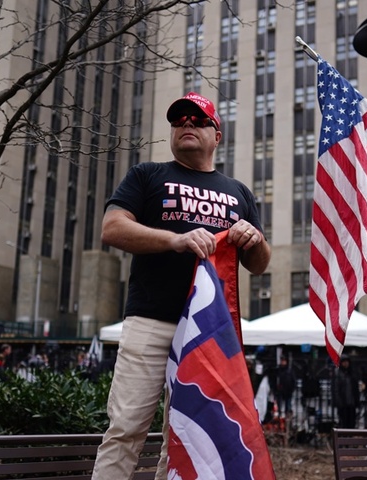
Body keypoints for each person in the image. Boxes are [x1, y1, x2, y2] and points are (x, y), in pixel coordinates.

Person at [91, 92, 271, 480]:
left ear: (216, 135)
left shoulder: (238, 192)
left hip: (208, 333)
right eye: (179, 120)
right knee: (125, 429)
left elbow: (259, 265)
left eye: (197, 119)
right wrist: (175, 239)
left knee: (188, 437)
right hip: (150, 322)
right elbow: (112, 228)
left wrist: (253, 237)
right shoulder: (147, 175)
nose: (186, 124)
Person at [334, 355, 361, 429]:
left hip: (351, 402)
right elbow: (336, 389)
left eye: (347, 362)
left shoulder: (352, 373)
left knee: (352, 421)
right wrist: (339, 401)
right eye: (344, 362)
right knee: (344, 421)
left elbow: (355, 388)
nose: (346, 364)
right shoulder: (339, 374)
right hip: (343, 402)